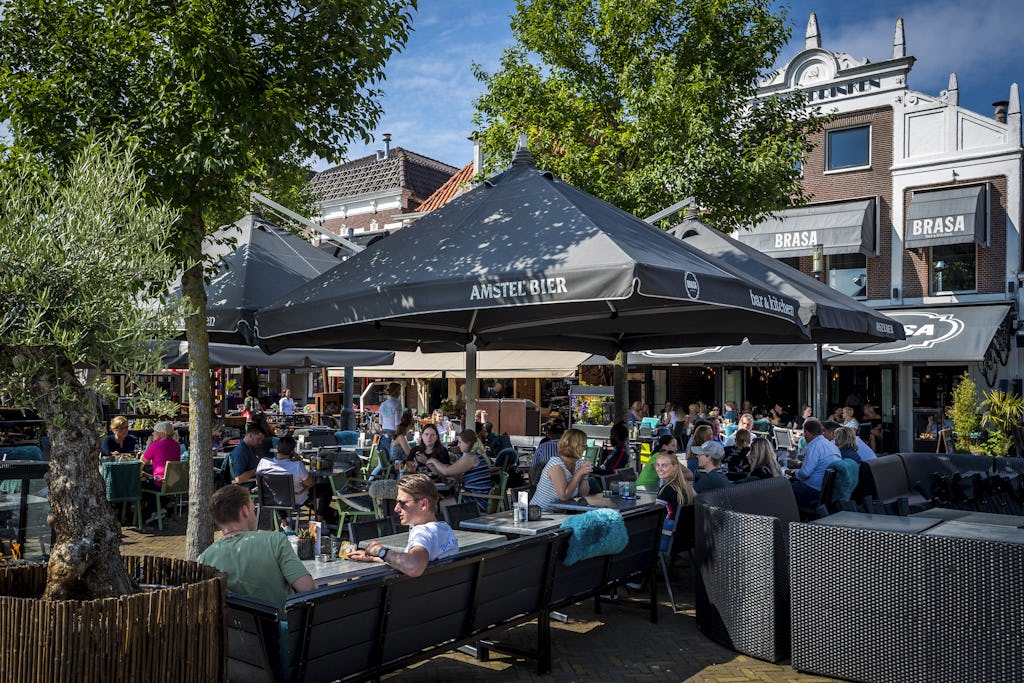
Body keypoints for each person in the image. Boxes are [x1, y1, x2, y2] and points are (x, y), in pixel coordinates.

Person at [197, 484, 315, 612]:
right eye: (253, 509)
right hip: (279, 628)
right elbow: (308, 589)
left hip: (234, 630)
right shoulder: (274, 541)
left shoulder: (203, 559)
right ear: (245, 511)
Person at [348, 474, 458, 577]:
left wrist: (382, 551)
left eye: (402, 503)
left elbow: (413, 566)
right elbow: (415, 560)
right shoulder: (445, 529)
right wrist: (375, 557)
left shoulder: (422, 533)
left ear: (423, 504)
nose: (396, 509)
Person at [255, 435, 338, 528]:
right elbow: (310, 484)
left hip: (274, 499)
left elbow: (259, 483)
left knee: (276, 491)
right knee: (326, 489)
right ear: (292, 452)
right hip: (296, 498)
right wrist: (300, 461)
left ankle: (285, 522)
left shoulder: (263, 462)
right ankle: (319, 524)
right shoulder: (297, 465)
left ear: (277, 448)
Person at [426, 428, 493, 511]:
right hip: (473, 497)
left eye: (460, 442)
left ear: (468, 443)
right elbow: (453, 473)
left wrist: (433, 460)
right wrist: (432, 467)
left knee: (435, 507)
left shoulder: (471, 458)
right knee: (436, 502)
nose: (458, 445)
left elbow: (447, 471)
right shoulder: (474, 456)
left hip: (477, 501)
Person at [530, 428, 592, 510]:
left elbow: (583, 494)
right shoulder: (556, 465)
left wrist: (585, 477)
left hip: (560, 511)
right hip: (541, 513)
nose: (585, 449)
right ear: (575, 446)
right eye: (584, 445)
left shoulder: (578, 463)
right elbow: (564, 496)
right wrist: (579, 473)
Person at [787, 418, 839, 506]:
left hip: (813, 491)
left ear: (806, 432)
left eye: (804, 433)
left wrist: (792, 473)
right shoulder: (831, 445)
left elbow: (805, 473)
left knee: (782, 489)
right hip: (826, 491)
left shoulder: (814, 446)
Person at [140, 421, 182, 523]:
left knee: (142, 485)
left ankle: (157, 510)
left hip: (161, 482)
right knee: (150, 482)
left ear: (162, 434)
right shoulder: (177, 445)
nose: (153, 434)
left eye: (155, 432)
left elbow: (143, 461)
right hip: (174, 482)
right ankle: (162, 506)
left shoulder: (156, 445)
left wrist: (148, 446)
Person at [653, 452, 695, 540]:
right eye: (657, 465)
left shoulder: (666, 489)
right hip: (684, 537)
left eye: (664, 465)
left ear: (675, 467)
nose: (659, 469)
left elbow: (656, 516)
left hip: (667, 537)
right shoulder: (685, 487)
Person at [528, 421, 566, 487]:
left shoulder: (542, 447)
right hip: (564, 483)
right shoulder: (570, 448)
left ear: (550, 434)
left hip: (544, 484)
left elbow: (533, 467)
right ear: (564, 435)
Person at [230, 424, 266, 488]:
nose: (260, 442)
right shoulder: (241, 452)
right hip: (249, 486)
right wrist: (257, 470)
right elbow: (239, 479)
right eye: (258, 439)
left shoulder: (251, 447)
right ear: (250, 436)